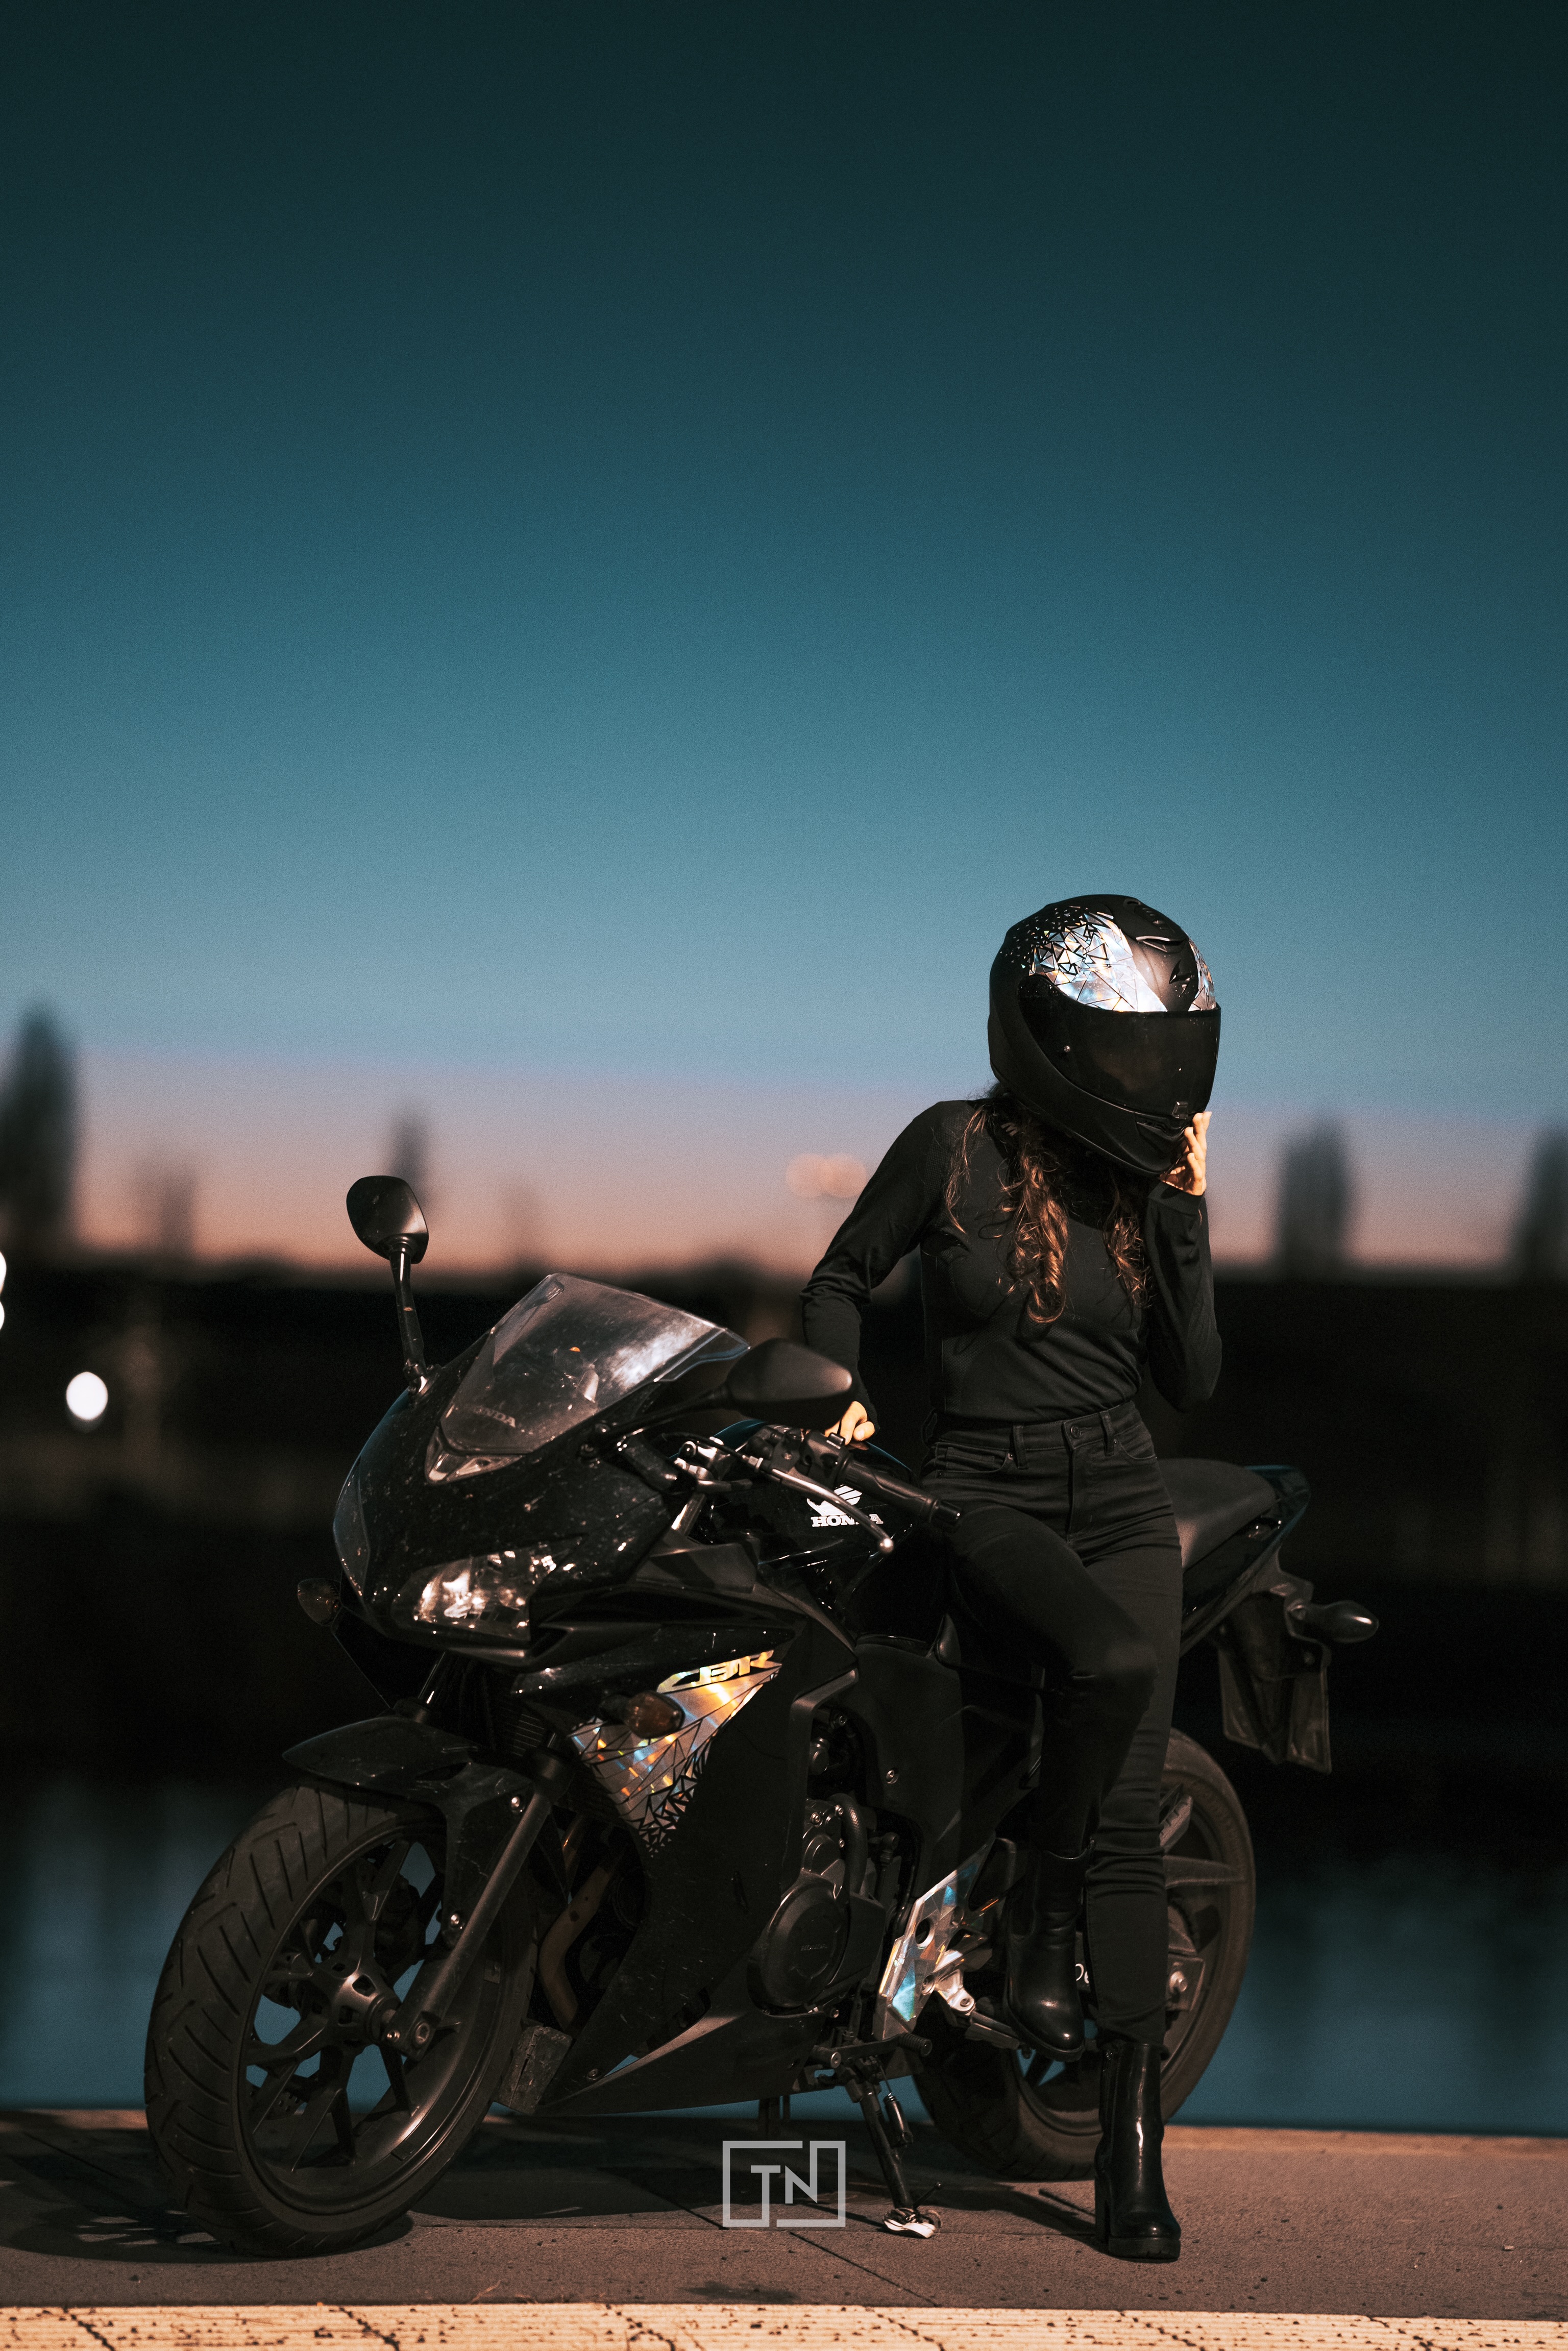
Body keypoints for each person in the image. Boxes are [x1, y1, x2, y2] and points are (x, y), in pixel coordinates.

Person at [800, 894, 1221, 2264]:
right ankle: (1037, 1911)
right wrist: (837, 1390)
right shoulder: (951, 1145)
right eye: (1127, 1050)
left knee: (1125, 1818)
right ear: (1053, 1041)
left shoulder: (1140, 1184)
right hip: (982, 1488)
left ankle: (1130, 2149)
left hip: (1124, 1498)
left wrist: (1186, 1210)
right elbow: (841, 1276)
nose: (1152, 1082)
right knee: (1108, 1665)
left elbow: (1192, 1380)